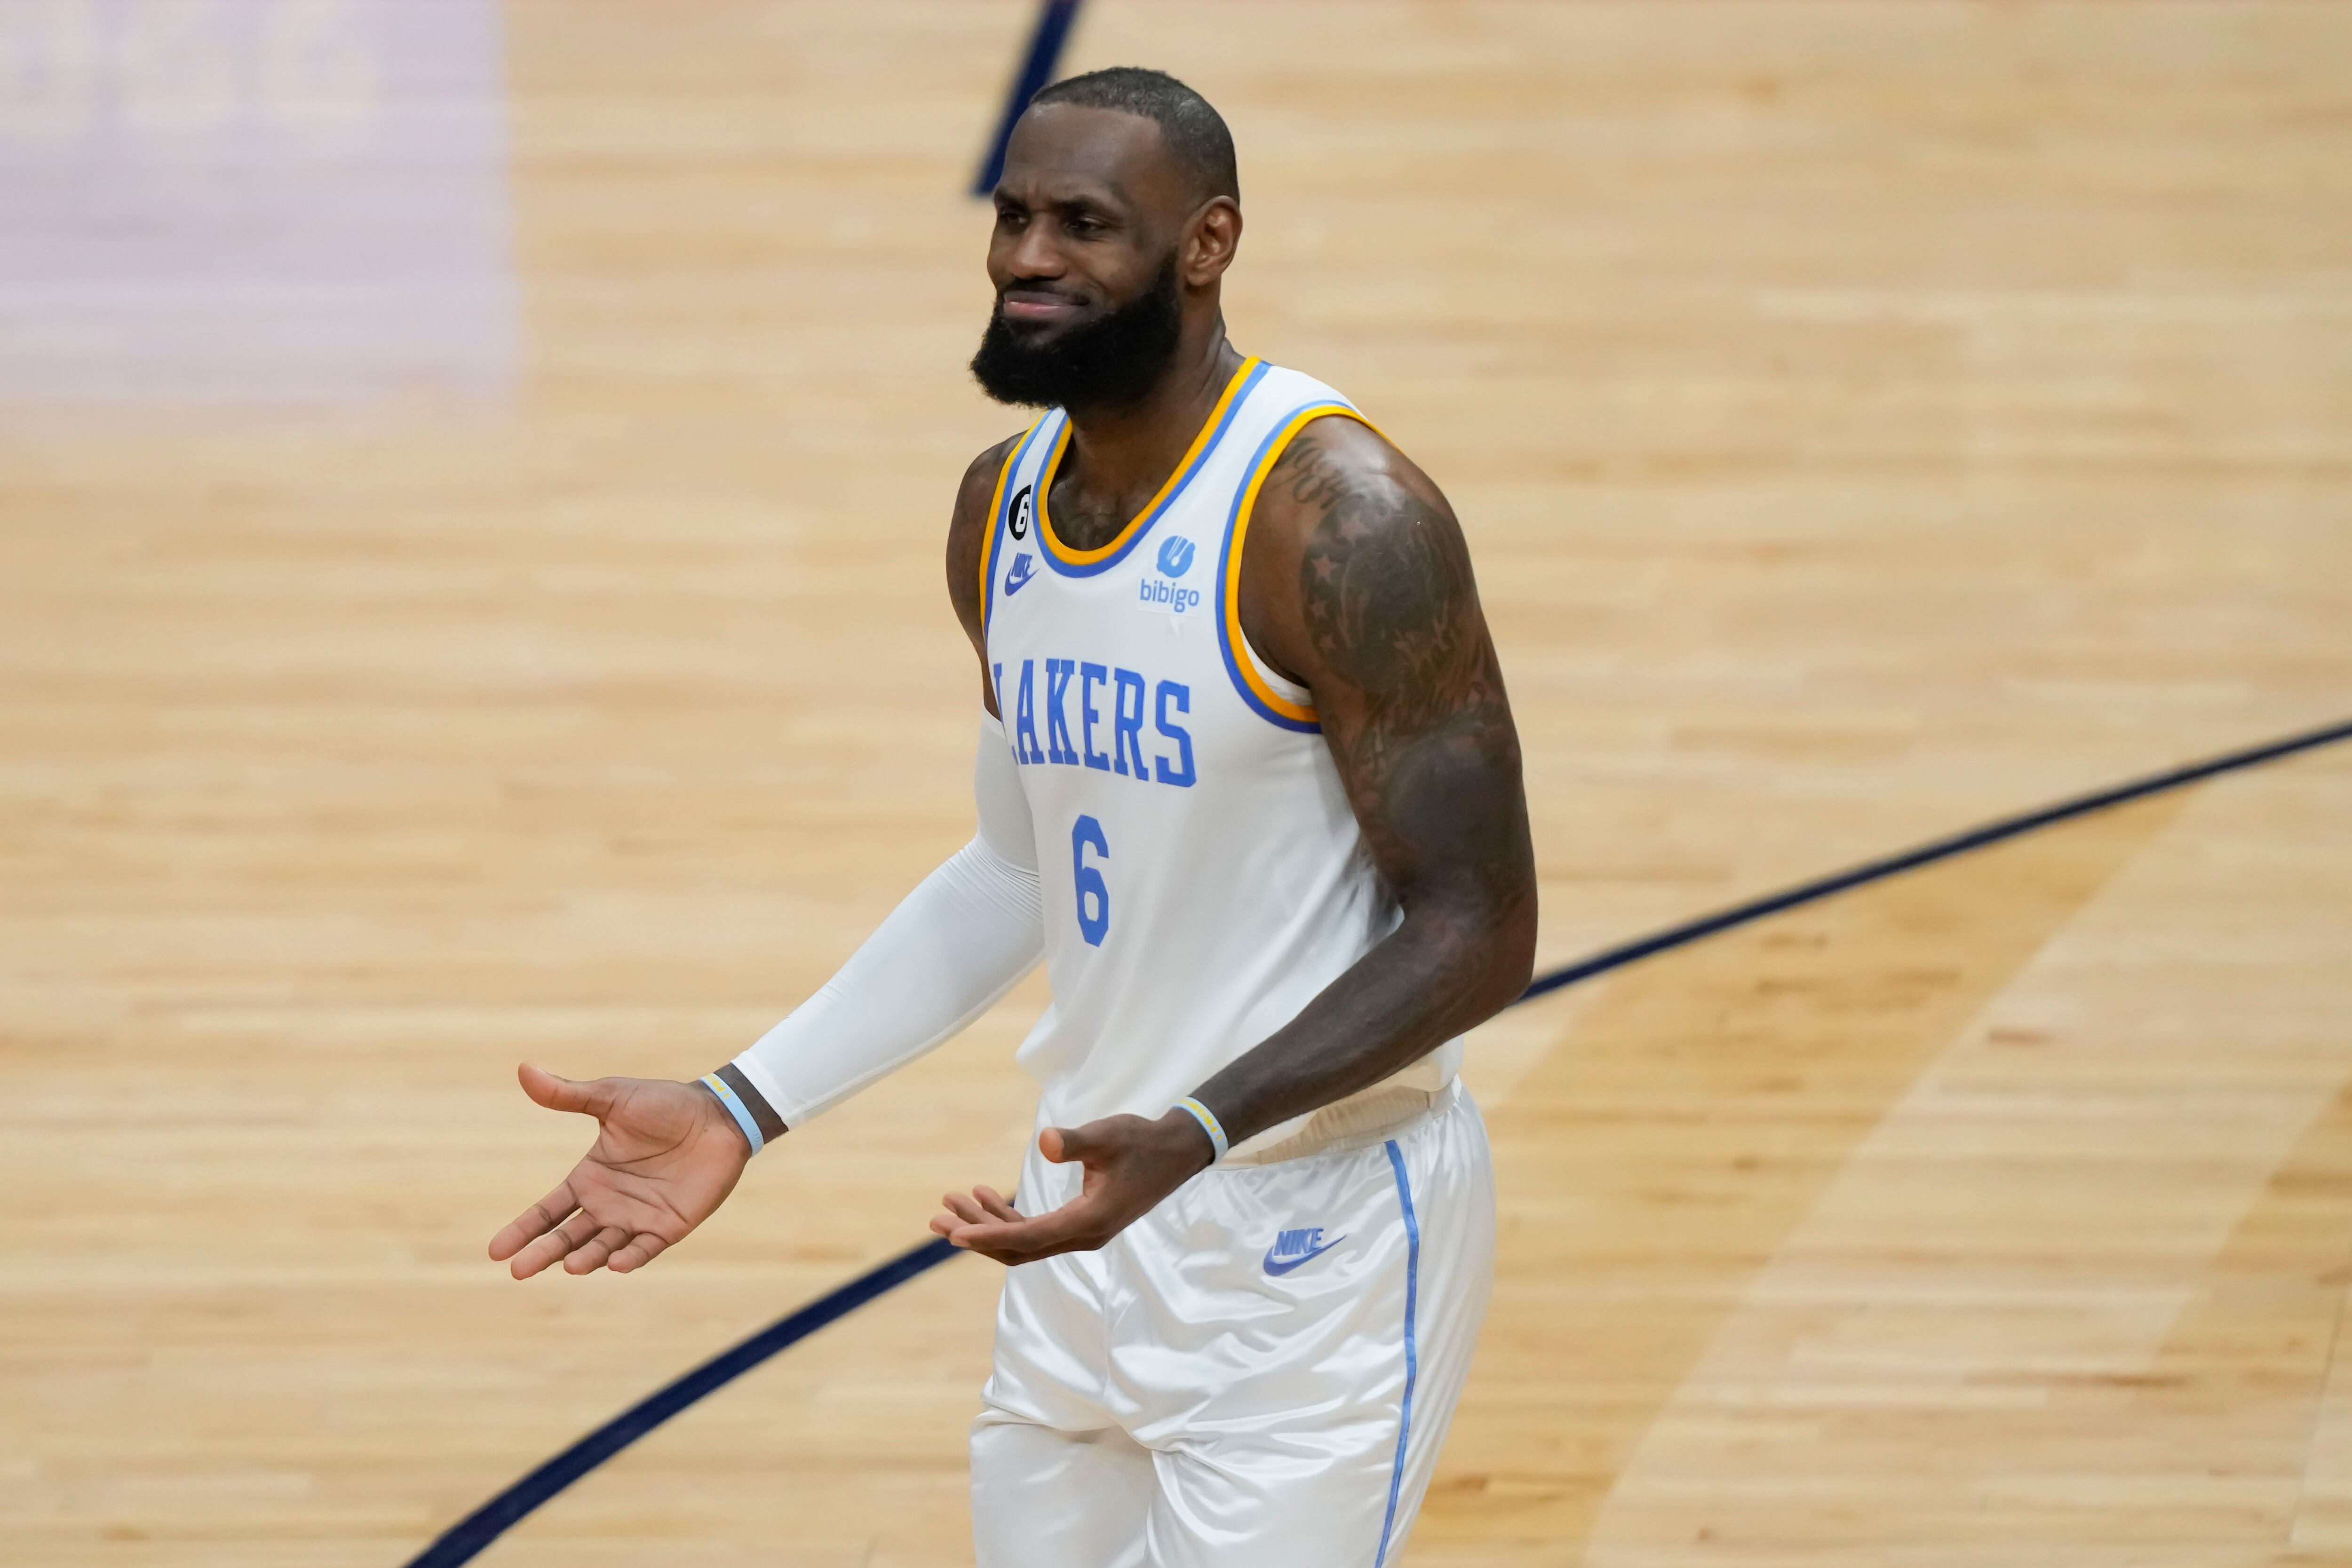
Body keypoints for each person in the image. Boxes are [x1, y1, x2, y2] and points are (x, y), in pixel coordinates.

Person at [486, 66, 1535, 1568]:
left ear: (1207, 243)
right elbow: (1014, 870)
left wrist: (1202, 1125)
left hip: (1316, 1236)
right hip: (1086, 1212)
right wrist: (744, 1100)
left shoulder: (1342, 521)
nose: (1032, 257)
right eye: (1015, 216)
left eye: (1086, 223)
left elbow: (1484, 929)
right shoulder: (1005, 511)